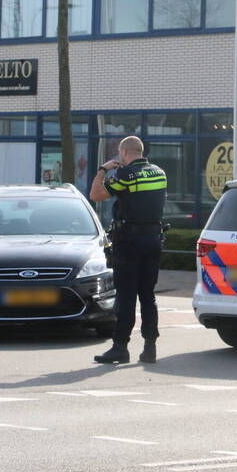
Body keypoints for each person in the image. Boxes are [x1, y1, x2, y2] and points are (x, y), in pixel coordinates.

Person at [89, 136, 167, 365]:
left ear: (123, 152)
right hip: (153, 239)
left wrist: (103, 170)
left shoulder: (124, 175)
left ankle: (120, 348)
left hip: (129, 242)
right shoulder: (159, 173)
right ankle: (150, 347)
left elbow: (96, 196)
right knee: (148, 295)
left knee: (126, 296)